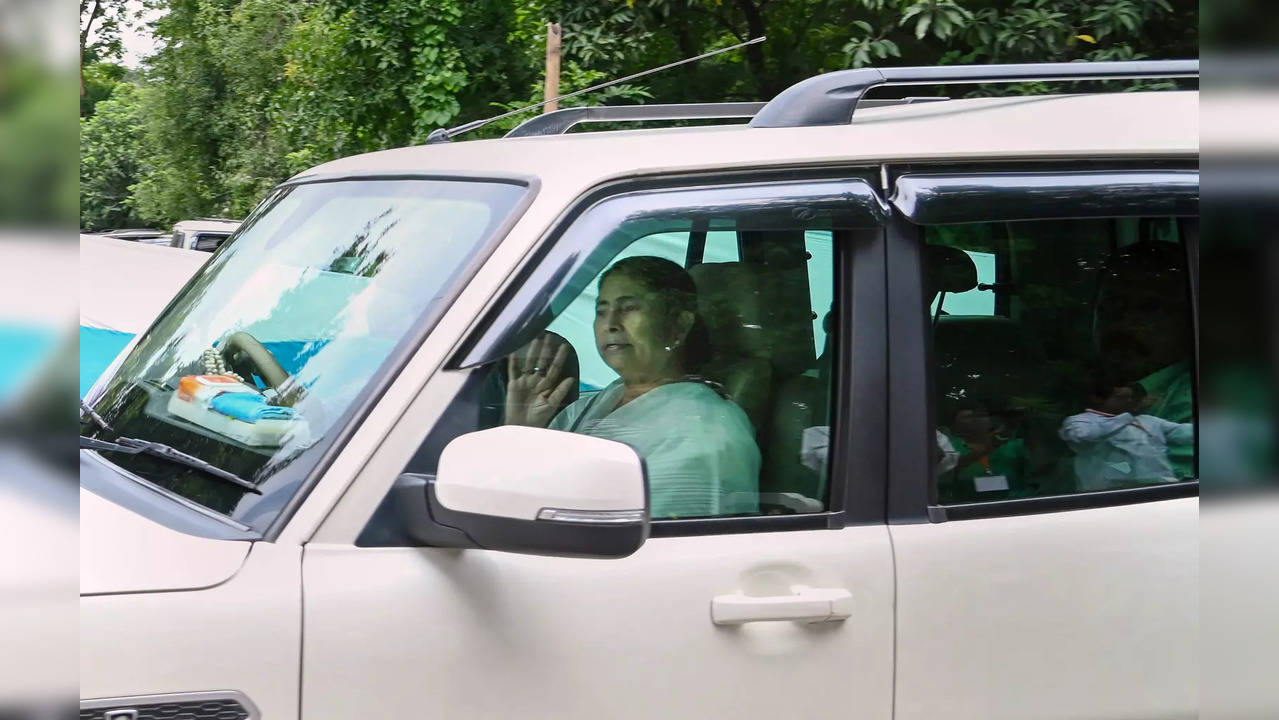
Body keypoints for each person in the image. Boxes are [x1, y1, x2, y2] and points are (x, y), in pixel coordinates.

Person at [504, 256, 760, 519]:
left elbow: (662, 543)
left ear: (679, 326)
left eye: (628, 308)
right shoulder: (598, 402)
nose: (610, 323)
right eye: (601, 311)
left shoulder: (703, 429)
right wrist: (520, 428)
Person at [1059, 378, 1194, 491]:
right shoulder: (1079, 422)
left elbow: (1183, 432)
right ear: (1097, 399)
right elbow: (1085, 436)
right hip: (1110, 496)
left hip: (1161, 489)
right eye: (1121, 397)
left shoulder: (1147, 421)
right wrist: (1126, 417)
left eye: (1130, 398)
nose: (1129, 401)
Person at [940, 401, 1029, 502]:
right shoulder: (949, 448)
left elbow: (1034, 478)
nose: (975, 420)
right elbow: (944, 476)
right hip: (967, 510)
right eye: (968, 417)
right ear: (956, 424)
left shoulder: (1014, 445)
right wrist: (988, 448)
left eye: (980, 416)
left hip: (1019, 508)